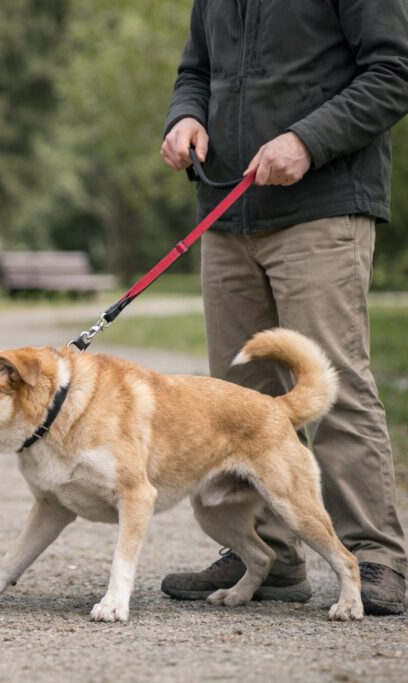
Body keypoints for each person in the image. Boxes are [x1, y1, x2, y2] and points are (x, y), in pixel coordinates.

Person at [159, 0, 408, 615]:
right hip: (227, 211)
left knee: (333, 385)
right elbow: (195, 70)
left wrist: (308, 139)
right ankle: (265, 556)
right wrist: (185, 116)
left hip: (321, 208)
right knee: (235, 398)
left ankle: (377, 556)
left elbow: (393, 72)